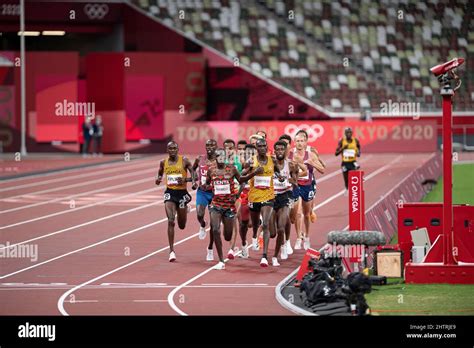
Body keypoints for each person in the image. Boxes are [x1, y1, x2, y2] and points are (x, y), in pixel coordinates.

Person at [206, 148, 259, 270]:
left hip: (229, 206)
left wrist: (253, 174)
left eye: (222, 156)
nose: (220, 158)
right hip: (215, 205)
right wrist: (206, 186)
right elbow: (207, 183)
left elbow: (241, 181)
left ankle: (228, 240)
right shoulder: (211, 170)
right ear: (215, 157)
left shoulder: (232, 169)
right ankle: (220, 261)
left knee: (227, 236)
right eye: (217, 156)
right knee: (215, 229)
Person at [245, 138, 283, 267]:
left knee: (266, 223)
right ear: (256, 148)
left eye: (264, 146)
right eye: (260, 146)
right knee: (254, 224)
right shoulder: (251, 161)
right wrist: (254, 172)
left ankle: (264, 256)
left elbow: (277, 171)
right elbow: (241, 177)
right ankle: (255, 234)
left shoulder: (272, 160)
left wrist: (280, 177)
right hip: (254, 198)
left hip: (268, 197)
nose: (262, 148)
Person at [155, 141, 196, 262]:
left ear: (178, 149)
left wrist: (189, 180)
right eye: (170, 149)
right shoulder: (164, 162)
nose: (172, 150)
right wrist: (158, 179)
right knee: (171, 220)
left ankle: (184, 209)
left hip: (182, 194)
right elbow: (160, 171)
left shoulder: (184, 161)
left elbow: (195, 174)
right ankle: (171, 250)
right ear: (167, 150)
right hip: (170, 193)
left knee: (182, 225)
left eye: (174, 148)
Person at [289, 131, 325, 250]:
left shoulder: (310, 155)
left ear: (305, 143)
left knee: (307, 214)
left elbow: (322, 170)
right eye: (297, 141)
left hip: (307, 186)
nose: (299, 143)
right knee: (297, 213)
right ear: (294, 143)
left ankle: (307, 236)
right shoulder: (290, 155)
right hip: (296, 185)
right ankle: (299, 237)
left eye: (301, 141)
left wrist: (313, 164)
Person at [271, 141, 299, 265]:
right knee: (272, 232)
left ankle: (276, 255)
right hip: (271, 197)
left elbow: (296, 182)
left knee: (281, 227)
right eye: (278, 149)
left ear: (286, 151)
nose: (280, 151)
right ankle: (281, 243)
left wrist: (286, 178)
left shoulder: (291, 165)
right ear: (274, 151)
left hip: (285, 196)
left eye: (282, 149)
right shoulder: (269, 164)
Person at [192, 139, 218, 261]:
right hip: (202, 192)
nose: (210, 147)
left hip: (215, 193)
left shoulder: (219, 159)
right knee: (199, 214)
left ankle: (210, 249)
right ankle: (202, 225)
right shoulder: (200, 158)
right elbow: (192, 169)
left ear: (216, 147)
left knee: (214, 224)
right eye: (207, 145)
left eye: (212, 145)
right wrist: (193, 180)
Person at [335, 127, 361, 195]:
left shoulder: (356, 140)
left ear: (352, 133)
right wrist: (343, 148)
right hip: (345, 163)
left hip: (353, 162)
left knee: (354, 177)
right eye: (347, 133)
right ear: (345, 133)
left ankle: (354, 191)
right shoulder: (342, 141)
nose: (349, 134)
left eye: (350, 132)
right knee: (346, 178)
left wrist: (358, 153)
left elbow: (359, 149)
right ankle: (347, 189)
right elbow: (336, 153)